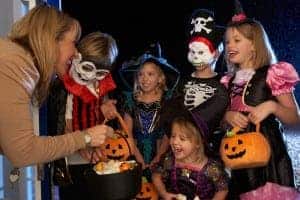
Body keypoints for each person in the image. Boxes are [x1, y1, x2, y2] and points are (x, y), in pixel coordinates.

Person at [0, 5, 113, 169]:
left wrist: (76, 143)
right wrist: (85, 137)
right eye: (73, 43)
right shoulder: (16, 67)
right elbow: (23, 152)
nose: (75, 53)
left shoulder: (13, 58)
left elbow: (10, 144)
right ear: (51, 40)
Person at [220, 2, 300, 198]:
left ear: (254, 44)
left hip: (269, 160)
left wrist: (272, 106)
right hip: (238, 161)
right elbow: (221, 125)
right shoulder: (227, 82)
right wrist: (227, 116)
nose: (230, 45)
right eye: (228, 41)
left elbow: (294, 119)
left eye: (237, 40)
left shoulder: (273, 74)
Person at [47, 31, 119, 199]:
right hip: (73, 159)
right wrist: (81, 144)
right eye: (87, 68)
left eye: (99, 73)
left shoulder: (99, 85)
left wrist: (105, 110)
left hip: (95, 157)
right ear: (78, 57)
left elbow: (97, 117)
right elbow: (64, 122)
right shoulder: (67, 86)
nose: (91, 77)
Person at [162, 9, 229, 157]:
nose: (196, 57)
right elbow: (170, 119)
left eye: (201, 52)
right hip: (180, 151)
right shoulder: (182, 81)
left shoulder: (224, 83)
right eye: (193, 52)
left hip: (212, 152)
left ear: (216, 53)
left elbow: (226, 120)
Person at [119, 43, 180, 181]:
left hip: (162, 154)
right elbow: (126, 132)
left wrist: (158, 157)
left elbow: (168, 133)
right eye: (140, 74)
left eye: (150, 74)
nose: (145, 79)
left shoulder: (167, 101)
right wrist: (139, 158)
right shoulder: (130, 101)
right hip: (134, 153)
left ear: (160, 78)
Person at [152, 111, 229, 200]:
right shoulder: (169, 160)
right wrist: (163, 193)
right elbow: (156, 175)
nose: (175, 142)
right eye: (173, 136)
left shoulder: (211, 168)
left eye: (182, 138)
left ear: (197, 144)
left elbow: (223, 189)